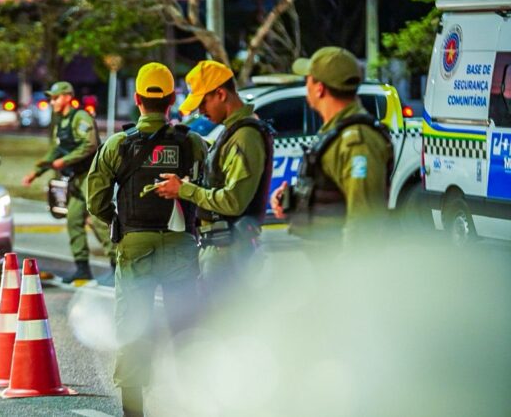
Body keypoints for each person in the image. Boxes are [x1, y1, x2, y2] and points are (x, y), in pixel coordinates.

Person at [86, 62, 207, 417]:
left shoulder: (118, 145)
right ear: (171, 100)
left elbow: (95, 200)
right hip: (181, 245)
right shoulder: (192, 143)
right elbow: (207, 186)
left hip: (134, 245)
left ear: (137, 99)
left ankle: (134, 411)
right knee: (184, 327)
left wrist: (120, 223)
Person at [154, 60, 273, 290]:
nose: (200, 111)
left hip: (229, 253)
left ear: (220, 94)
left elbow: (233, 202)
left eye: (203, 102)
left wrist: (185, 190)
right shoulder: (232, 131)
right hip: (222, 249)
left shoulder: (245, 136)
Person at [270, 47, 394, 246]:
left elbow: (364, 223)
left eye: (307, 79)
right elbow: (334, 196)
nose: (306, 86)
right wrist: (292, 200)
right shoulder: (334, 132)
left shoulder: (357, 141)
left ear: (319, 88)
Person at [21, 81, 114, 284]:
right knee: (73, 219)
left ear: (67, 97)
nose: (52, 102)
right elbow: (56, 150)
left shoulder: (79, 117)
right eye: (51, 98)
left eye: (55, 98)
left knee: (98, 220)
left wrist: (65, 161)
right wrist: (36, 172)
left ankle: (118, 266)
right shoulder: (60, 123)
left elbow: (89, 145)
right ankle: (82, 268)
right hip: (75, 179)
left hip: (91, 176)